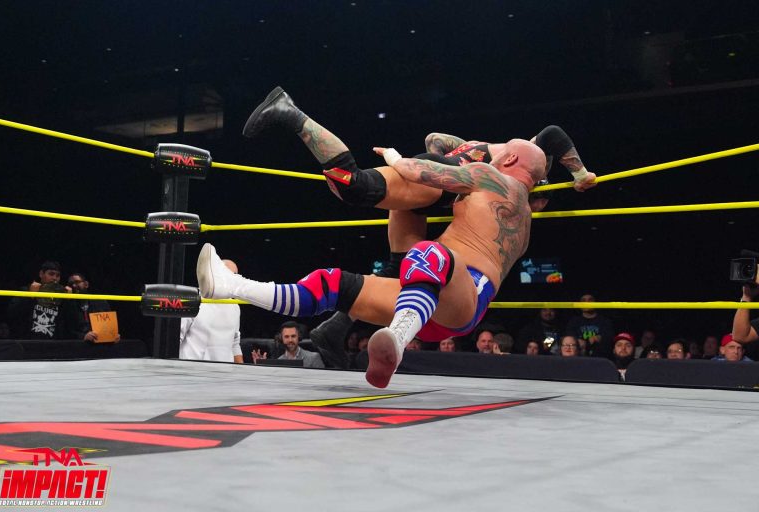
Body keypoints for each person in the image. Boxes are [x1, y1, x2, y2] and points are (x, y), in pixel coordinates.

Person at [241, 86, 597, 375]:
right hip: (440, 183)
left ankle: (334, 328)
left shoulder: (497, 167)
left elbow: (435, 138)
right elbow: (552, 134)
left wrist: (450, 155)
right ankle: (290, 112)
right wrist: (581, 175)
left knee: (402, 271)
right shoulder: (507, 164)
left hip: (444, 186)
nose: (536, 201)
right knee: (354, 185)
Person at [180, 259, 243, 363]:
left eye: (234, 276)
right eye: (227, 274)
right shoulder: (193, 299)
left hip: (224, 370)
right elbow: (176, 338)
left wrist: (242, 370)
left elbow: (235, 343)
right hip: (192, 369)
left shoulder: (234, 306)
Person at [7, 260, 71, 339]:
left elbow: (70, 323)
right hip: (27, 342)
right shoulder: (26, 290)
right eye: (51, 274)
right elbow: (12, 314)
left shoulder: (61, 296)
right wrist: (30, 296)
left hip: (53, 343)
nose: (54, 278)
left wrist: (69, 300)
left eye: (57, 275)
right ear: (41, 274)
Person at [64, 272, 119, 342]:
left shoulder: (101, 303)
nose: (74, 285)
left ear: (86, 284)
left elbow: (108, 326)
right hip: (78, 345)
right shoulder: (68, 305)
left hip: (101, 344)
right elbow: (66, 330)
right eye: (70, 284)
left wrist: (113, 335)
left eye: (77, 282)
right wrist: (83, 336)